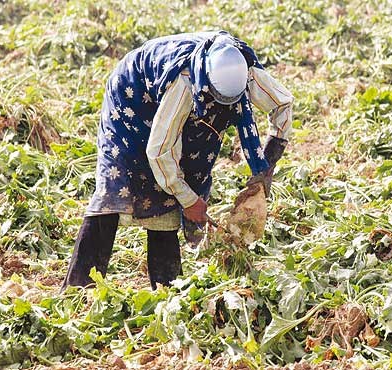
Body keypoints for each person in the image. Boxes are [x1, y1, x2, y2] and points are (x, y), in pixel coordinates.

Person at [62, 31, 293, 290]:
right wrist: (189, 200)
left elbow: (282, 105)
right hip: (132, 98)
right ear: (207, 84)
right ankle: (78, 288)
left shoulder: (245, 70)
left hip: (173, 101)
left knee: (173, 190)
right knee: (116, 186)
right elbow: (159, 151)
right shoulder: (185, 83)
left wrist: (267, 165)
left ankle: (166, 290)